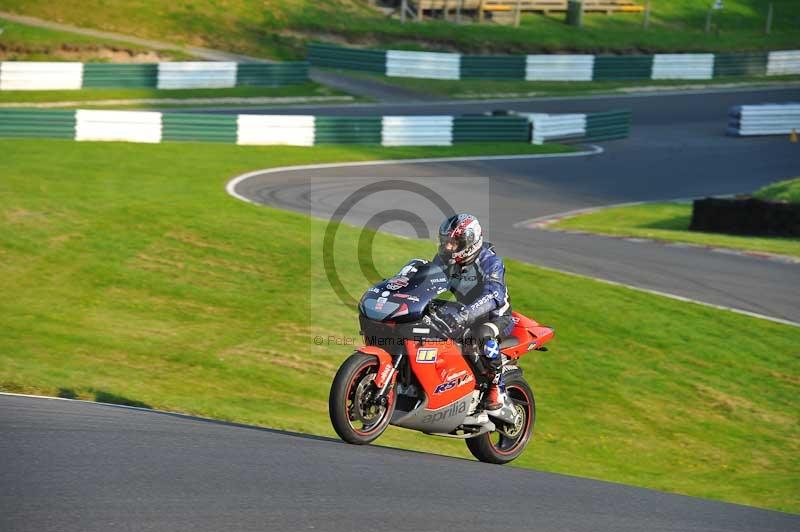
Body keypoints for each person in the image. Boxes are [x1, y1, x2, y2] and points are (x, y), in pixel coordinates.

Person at [430, 213, 512, 412]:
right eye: (445, 241)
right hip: (463, 312)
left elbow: (494, 294)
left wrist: (466, 314)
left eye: (453, 242)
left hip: (496, 317)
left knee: (482, 335)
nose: (448, 247)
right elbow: (427, 281)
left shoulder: (490, 262)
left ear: (470, 241)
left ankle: (496, 386)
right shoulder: (444, 259)